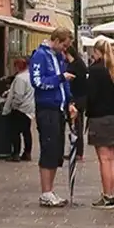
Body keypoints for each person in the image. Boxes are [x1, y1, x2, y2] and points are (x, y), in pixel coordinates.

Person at [29, 30, 75, 206]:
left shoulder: (58, 56)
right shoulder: (40, 56)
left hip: (59, 108)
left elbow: (64, 82)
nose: (65, 49)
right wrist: (59, 78)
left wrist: (70, 101)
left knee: (56, 150)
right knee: (48, 148)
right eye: (64, 45)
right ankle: (45, 191)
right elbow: (38, 82)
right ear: (55, 40)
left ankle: (50, 190)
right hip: (47, 108)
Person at [87, 36, 114, 209]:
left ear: (98, 52)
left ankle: (107, 196)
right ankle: (112, 194)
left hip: (99, 118)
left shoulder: (96, 70)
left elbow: (91, 96)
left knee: (103, 159)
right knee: (111, 158)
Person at [2, 57, 35, 161]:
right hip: (29, 108)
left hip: (21, 108)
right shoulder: (31, 76)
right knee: (26, 132)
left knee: (15, 132)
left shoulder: (20, 78)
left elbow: (19, 95)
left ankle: (16, 153)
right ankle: (27, 152)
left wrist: (13, 106)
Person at [67, 44, 89, 161]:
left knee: (76, 126)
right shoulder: (80, 63)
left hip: (76, 99)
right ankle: (78, 151)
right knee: (77, 126)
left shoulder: (73, 66)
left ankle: (77, 152)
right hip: (82, 98)